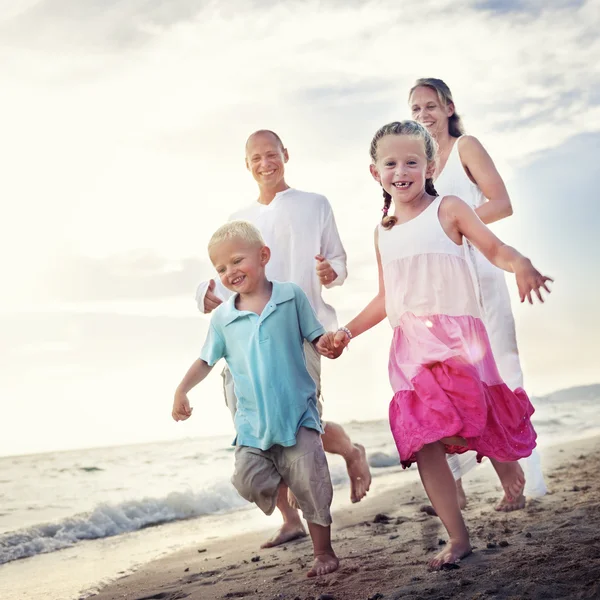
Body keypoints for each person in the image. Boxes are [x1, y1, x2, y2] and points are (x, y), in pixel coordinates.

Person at [317, 120, 552, 569]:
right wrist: (346, 331)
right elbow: (387, 298)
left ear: (431, 166)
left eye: (411, 161)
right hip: (411, 347)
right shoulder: (382, 229)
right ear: (375, 172)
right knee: (425, 437)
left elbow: (495, 248)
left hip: (459, 342)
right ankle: (457, 536)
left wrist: (519, 263)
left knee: (474, 417)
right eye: (391, 163)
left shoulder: (450, 208)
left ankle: (504, 460)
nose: (401, 170)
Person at [194, 129, 371, 548]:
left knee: (302, 422)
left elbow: (340, 262)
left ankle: (350, 452)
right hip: (246, 340)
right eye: (255, 158)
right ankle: (290, 519)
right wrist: (204, 292)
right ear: (247, 164)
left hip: (302, 329)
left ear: (285, 155)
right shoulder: (239, 217)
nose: (264, 163)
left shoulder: (315, 204)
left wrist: (333, 272)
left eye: (271, 154)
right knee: (255, 425)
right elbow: (230, 272)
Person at [408, 77, 548, 510]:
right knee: (448, 380)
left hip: (481, 273)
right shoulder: (419, 164)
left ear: (448, 107)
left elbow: (502, 202)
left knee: (502, 371)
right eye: (415, 110)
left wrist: (456, 223)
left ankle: (527, 478)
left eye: (430, 106)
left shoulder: (466, 146)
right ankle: (457, 482)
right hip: (441, 285)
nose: (423, 116)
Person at [173, 220, 339, 578]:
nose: (230, 271)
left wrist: (329, 344)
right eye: (221, 268)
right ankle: (287, 483)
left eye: (237, 261)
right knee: (248, 480)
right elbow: (205, 360)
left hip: (298, 415)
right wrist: (182, 390)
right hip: (252, 424)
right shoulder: (222, 318)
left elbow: (315, 337)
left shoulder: (290, 296)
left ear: (263, 256)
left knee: (313, 485)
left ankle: (324, 552)